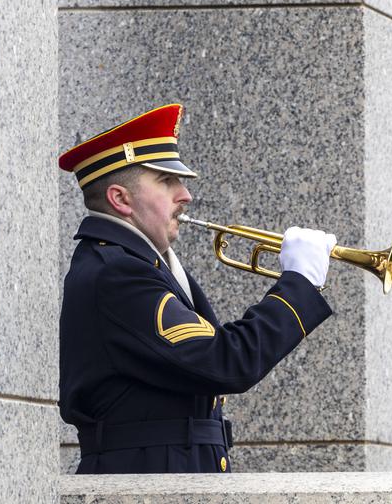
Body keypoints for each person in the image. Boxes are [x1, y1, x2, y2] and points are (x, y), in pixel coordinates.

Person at [58, 104, 337, 474]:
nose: (185, 194)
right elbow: (226, 361)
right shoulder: (118, 275)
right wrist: (297, 287)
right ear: (120, 199)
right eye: (165, 181)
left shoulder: (138, 265)